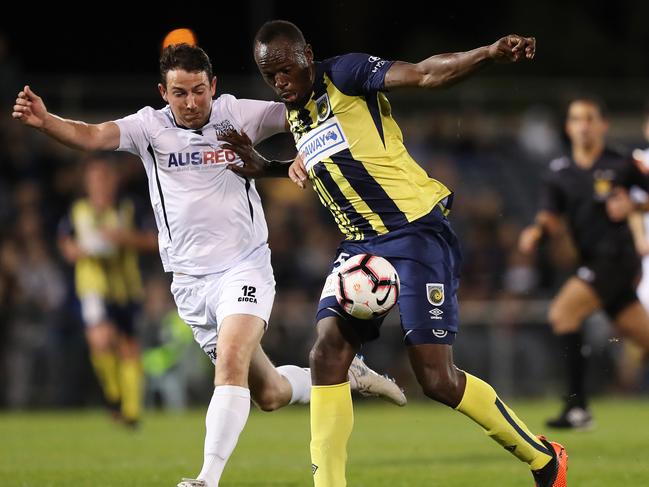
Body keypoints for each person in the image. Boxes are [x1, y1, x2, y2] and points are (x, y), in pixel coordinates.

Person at [12, 42, 405, 487]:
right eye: (180, 93)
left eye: (199, 91)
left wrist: (305, 149)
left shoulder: (236, 114)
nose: (192, 102)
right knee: (270, 393)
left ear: (213, 86)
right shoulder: (148, 128)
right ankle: (344, 374)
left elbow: (303, 113)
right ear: (164, 92)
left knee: (231, 360)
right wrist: (45, 122)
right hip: (190, 284)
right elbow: (92, 135)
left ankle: (206, 479)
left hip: (244, 267)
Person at [222, 19, 566, 487]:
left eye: (286, 68)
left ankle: (543, 457)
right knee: (326, 354)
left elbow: (425, 73)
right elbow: (327, 164)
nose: (280, 82)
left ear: (307, 53)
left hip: (414, 234)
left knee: (437, 380)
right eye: (270, 75)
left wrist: (486, 53)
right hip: (358, 246)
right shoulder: (297, 116)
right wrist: (269, 168)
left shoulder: (345, 75)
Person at [519, 98, 649, 429]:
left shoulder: (622, 163)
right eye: (577, 118)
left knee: (563, 312)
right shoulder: (559, 172)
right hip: (594, 262)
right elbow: (549, 216)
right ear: (568, 127)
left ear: (603, 125)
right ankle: (578, 408)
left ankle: (577, 408)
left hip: (616, 259)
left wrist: (635, 207)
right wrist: (536, 232)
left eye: (590, 118)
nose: (584, 125)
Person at [58, 156, 157, 426]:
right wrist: (76, 250)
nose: (101, 184)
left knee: (129, 347)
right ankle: (113, 395)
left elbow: (155, 240)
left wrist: (124, 238)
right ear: (87, 184)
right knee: (100, 339)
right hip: (93, 287)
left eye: (105, 178)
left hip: (126, 287)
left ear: (114, 181)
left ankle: (131, 411)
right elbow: (65, 243)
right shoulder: (77, 211)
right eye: (95, 179)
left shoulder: (130, 208)